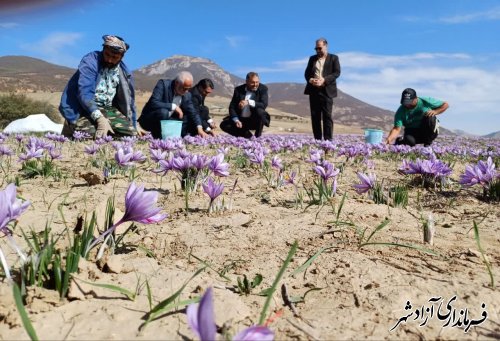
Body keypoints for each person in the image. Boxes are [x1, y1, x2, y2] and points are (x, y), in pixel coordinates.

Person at [59, 35, 144, 139]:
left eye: (114, 57)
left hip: (108, 109)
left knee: (130, 135)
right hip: (83, 108)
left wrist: (134, 124)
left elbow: (129, 101)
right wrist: (100, 119)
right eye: (107, 54)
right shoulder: (90, 62)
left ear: (121, 57)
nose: (109, 60)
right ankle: (71, 127)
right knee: (88, 134)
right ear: (103, 49)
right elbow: (85, 93)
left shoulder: (124, 72)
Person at [138, 71, 209, 139]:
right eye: (184, 88)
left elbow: (193, 112)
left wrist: (200, 128)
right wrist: (173, 106)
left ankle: (179, 136)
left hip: (167, 122)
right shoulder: (163, 84)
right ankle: (156, 136)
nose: (186, 91)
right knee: (163, 112)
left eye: (188, 89)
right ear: (177, 83)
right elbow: (154, 102)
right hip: (149, 120)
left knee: (187, 117)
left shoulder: (187, 94)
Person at [304, 38, 341, 141]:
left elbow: (336, 73)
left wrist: (324, 80)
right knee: (315, 117)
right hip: (314, 91)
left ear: (326, 46)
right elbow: (307, 73)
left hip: (327, 91)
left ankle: (328, 142)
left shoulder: (334, 58)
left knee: (327, 117)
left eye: (319, 48)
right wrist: (311, 80)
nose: (318, 51)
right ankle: (317, 140)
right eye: (316, 49)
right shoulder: (312, 59)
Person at [219, 72, 270, 138]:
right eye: (252, 82)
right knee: (224, 124)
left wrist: (248, 102)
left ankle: (258, 137)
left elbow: (263, 104)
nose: (255, 85)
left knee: (260, 112)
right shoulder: (238, 90)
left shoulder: (263, 89)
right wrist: (236, 120)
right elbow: (232, 107)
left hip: (254, 120)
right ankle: (248, 137)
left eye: (257, 82)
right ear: (247, 81)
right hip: (241, 120)